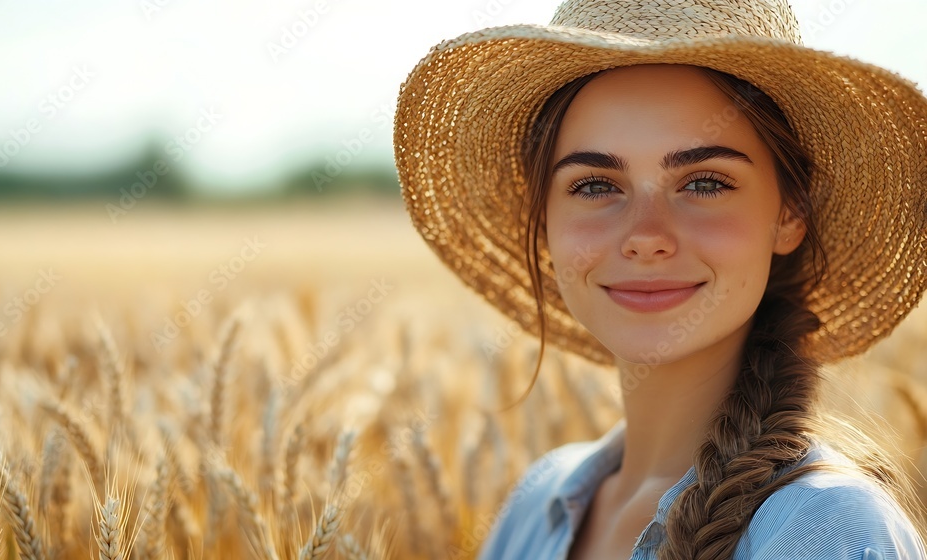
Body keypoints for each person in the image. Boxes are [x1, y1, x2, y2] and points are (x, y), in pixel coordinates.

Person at [392, 0, 927, 558]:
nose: (645, 236)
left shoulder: (824, 529)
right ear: (543, 218)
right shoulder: (539, 502)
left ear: (791, 212)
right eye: (595, 186)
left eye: (705, 182)